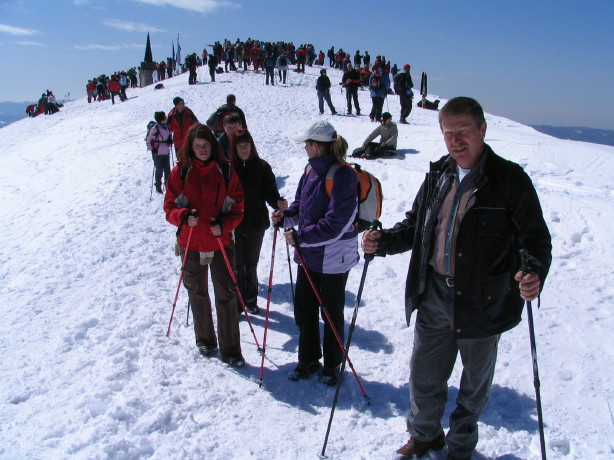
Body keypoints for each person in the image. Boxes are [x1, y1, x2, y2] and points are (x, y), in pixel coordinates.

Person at [361, 97, 552, 460]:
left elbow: (535, 240)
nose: (455, 140)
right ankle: (425, 436)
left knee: (473, 385)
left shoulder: (509, 180)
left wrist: (533, 271)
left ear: (482, 129)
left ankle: (461, 447)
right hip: (434, 292)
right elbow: (416, 226)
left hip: (484, 300)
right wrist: (383, 241)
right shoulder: (438, 174)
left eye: (463, 130)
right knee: (424, 376)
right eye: (448, 133)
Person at [271, 121, 359, 386]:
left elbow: (337, 223)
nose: (305, 147)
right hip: (308, 255)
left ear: (317, 145)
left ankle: (332, 364)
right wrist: (285, 217)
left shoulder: (343, 175)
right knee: (304, 310)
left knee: (330, 314)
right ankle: (308, 359)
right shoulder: (310, 169)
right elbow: (301, 207)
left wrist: (301, 237)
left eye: (307, 143)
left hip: (334, 257)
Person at [163, 124, 246, 367]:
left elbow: (238, 207)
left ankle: (231, 350)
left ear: (213, 146)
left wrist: (225, 224)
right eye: (197, 146)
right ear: (190, 147)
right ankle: (206, 340)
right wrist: (183, 216)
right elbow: (169, 207)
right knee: (197, 292)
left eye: (206, 145)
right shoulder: (180, 172)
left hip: (220, 241)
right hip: (190, 241)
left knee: (226, 294)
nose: (202, 149)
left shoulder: (226, 170)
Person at [229, 129, 288, 314]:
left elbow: (270, 191)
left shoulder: (262, 167)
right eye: (240, 147)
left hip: (256, 222)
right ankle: (238, 300)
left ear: (252, 146)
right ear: (234, 149)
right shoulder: (229, 168)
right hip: (235, 223)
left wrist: (277, 202)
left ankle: (251, 298)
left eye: (246, 146)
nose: (244, 150)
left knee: (251, 263)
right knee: (237, 265)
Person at [146, 111, 173, 193]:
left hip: (165, 151)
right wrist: (152, 149)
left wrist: (170, 140)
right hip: (157, 152)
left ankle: (168, 186)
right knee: (159, 170)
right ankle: (158, 186)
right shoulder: (155, 129)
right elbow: (149, 140)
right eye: (164, 117)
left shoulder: (167, 126)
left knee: (167, 170)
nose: (166, 118)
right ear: (161, 119)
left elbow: (170, 134)